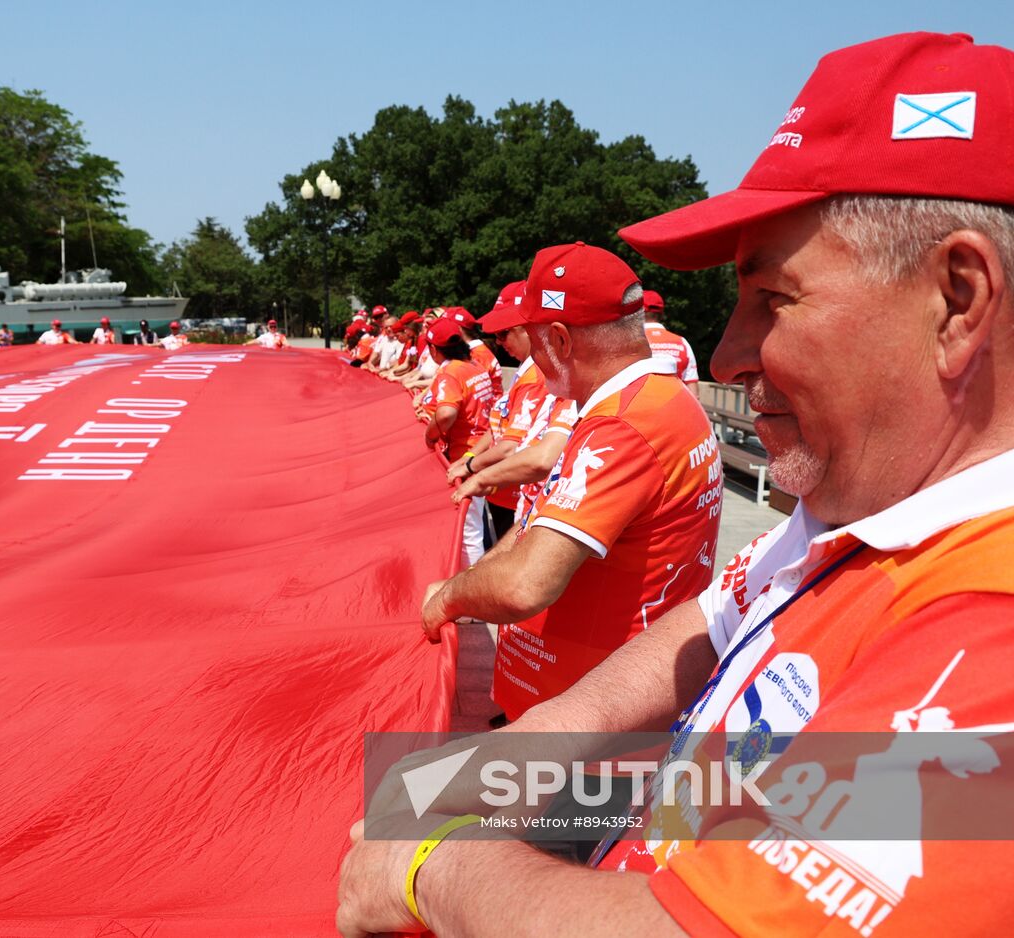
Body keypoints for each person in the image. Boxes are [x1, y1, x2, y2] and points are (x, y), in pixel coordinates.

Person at [338, 31, 1014, 938]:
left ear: (958, 301)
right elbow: (705, 625)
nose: (727, 354)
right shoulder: (858, 512)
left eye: (774, 299)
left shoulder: (990, 623)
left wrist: (432, 866)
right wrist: (470, 778)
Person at [436, 242, 722, 722]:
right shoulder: (659, 401)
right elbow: (537, 525)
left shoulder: (623, 427)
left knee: (411, 790)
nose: (525, 354)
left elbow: (527, 585)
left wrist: (448, 596)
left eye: (531, 335)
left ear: (562, 341)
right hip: (593, 705)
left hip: (587, 732)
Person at [446, 282, 550, 543]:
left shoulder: (536, 376)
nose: (499, 343)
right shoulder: (524, 369)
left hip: (516, 492)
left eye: (503, 333)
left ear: (528, 328)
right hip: (502, 487)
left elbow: (510, 447)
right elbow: (498, 429)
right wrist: (469, 458)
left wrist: (472, 468)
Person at [420, 315, 495, 565]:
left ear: (433, 349)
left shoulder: (451, 372)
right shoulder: (473, 365)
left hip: (465, 457)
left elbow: (446, 412)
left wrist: (430, 435)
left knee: (468, 531)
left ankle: (470, 592)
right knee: (474, 525)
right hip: (480, 451)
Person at [642, 290, 700, 396]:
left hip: (640, 409)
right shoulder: (682, 343)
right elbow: (694, 393)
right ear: (662, 314)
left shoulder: (631, 344)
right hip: (675, 408)